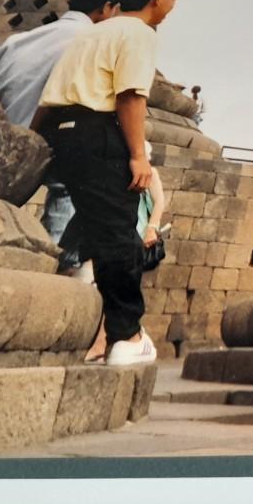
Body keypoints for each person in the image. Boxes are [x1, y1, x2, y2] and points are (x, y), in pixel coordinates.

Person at [31, 0, 181, 367]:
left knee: (93, 232)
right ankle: (126, 336)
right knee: (119, 234)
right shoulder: (138, 34)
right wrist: (138, 155)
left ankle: (108, 335)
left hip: (64, 132)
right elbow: (131, 96)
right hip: (100, 132)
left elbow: (48, 99)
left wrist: (34, 140)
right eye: (172, 1)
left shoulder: (94, 31)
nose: (171, 9)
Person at [0, 0, 122, 262]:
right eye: (116, 11)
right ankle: (51, 259)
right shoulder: (92, 42)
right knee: (71, 188)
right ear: (106, 8)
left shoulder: (21, 38)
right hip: (38, 140)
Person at [83, 141, 167, 363]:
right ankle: (109, 342)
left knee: (116, 287)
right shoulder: (116, 169)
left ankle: (103, 344)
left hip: (135, 233)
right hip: (116, 230)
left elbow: (159, 202)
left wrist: (152, 228)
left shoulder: (149, 171)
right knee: (107, 284)